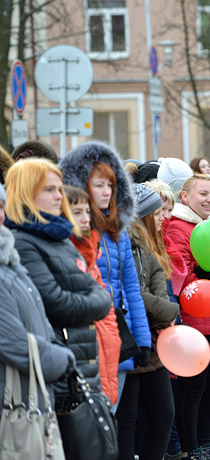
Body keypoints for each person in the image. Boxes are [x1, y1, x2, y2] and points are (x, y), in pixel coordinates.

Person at [4, 159, 111, 394]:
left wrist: (97, 299)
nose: (59, 196)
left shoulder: (61, 237)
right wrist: (97, 302)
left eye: (59, 189)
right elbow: (55, 303)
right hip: (58, 366)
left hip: (83, 360)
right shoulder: (22, 241)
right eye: (49, 190)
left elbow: (98, 291)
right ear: (26, 193)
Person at [60, 141, 152, 407]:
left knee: (113, 415)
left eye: (110, 185)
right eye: (98, 184)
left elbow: (131, 288)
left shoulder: (117, 231)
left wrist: (142, 339)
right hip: (87, 335)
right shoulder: (74, 230)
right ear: (81, 184)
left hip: (117, 332)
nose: (106, 191)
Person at [166, 174, 210, 460]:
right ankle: (191, 450)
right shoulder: (177, 228)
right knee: (194, 390)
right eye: (202, 194)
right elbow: (184, 280)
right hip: (195, 321)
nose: (209, 200)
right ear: (185, 197)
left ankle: (206, 446)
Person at [0, 182, 76, 421]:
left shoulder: (9, 258)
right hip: (11, 404)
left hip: (29, 395)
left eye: (1, 206)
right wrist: (62, 359)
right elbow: (12, 343)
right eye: (48, 189)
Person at [116, 184, 180, 460]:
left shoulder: (150, 251)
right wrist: (169, 309)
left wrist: (164, 308)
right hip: (129, 341)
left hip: (155, 344)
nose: (162, 218)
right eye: (156, 213)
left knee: (163, 415)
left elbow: (156, 291)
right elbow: (135, 295)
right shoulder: (124, 245)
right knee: (127, 419)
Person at [65, 186, 122, 405]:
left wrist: (114, 339)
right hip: (83, 350)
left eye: (86, 211)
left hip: (104, 345)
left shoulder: (90, 249)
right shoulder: (65, 253)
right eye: (76, 212)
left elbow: (104, 305)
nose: (84, 218)